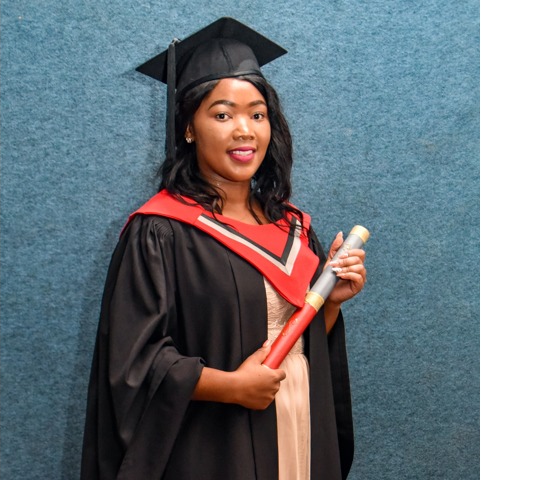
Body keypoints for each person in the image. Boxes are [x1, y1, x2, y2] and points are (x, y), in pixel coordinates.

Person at [80, 17, 367, 480]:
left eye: (257, 114)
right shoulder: (161, 231)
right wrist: (231, 386)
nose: (244, 130)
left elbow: (302, 342)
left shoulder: (293, 227)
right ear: (189, 128)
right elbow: (133, 361)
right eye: (222, 114)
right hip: (217, 445)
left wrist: (329, 303)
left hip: (297, 421)